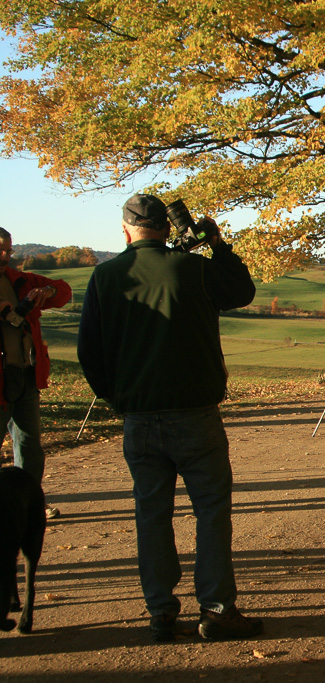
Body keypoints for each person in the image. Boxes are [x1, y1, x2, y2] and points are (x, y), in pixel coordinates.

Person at [77, 194, 261, 643]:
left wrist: (114, 396)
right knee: (211, 511)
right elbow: (242, 291)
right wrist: (216, 243)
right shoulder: (194, 268)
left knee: (152, 514)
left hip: (138, 416)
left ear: (125, 231)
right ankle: (217, 609)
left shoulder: (104, 277)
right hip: (196, 413)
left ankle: (161, 612)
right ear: (166, 228)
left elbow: (89, 351)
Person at [0, 227, 72, 520]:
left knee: (29, 445)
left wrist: (48, 291)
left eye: (9, 250)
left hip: (26, 375)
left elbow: (63, 290)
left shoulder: (20, 279)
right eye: (1, 250)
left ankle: (29, 504)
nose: (7, 256)